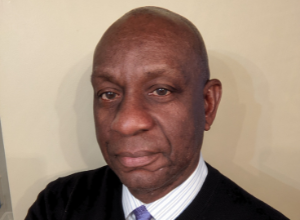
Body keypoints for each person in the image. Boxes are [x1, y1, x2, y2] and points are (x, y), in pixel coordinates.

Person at [25, 6, 288, 220]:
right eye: (108, 94)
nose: (126, 123)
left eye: (161, 91)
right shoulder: (59, 205)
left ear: (207, 104)